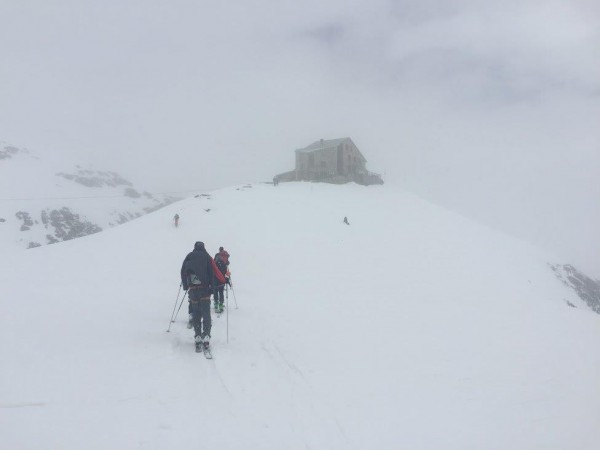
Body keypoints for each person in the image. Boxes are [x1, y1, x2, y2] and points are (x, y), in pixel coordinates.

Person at [181, 241, 224, 351]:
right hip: (205, 290)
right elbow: (213, 273)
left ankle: (198, 336)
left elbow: (183, 271)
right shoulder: (207, 257)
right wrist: (212, 289)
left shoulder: (189, 256)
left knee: (196, 314)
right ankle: (206, 336)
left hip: (193, 290)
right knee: (206, 315)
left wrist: (186, 286)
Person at [213, 247, 231, 313]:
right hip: (222, 280)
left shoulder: (217, 256)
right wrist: (227, 279)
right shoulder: (225, 256)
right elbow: (225, 270)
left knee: (215, 291)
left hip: (215, 279)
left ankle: (216, 304)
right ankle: (221, 305)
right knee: (221, 292)